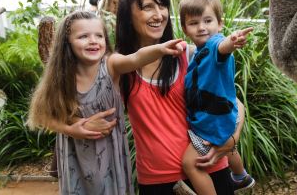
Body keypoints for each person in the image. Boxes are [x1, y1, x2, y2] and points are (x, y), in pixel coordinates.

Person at [27, 10, 184, 194]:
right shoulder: (61, 76)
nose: (93, 40)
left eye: (99, 36)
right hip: (75, 157)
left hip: (109, 156)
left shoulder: (110, 64)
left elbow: (135, 58)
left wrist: (160, 49)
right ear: (67, 41)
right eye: (83, 36)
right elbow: (42, 116)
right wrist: (71, 129)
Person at [115, 0, 244, 195]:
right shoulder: (120, 67)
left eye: (162, 5)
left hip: (208, 168)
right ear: (128, 14)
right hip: (158, 180)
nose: (159, 15)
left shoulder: (190, 54)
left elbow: (235, 103)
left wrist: (231, 140)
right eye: (148, 7)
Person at [179, 0, 255, 194]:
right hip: (223, 114)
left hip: (214, 122)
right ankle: (240, 177)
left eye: (208, 20)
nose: (202, 27)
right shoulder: (197, 53)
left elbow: (222, 48)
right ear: (185, 29)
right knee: (228, 149)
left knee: (191, 164)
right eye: (194, 23)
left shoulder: (214, 45)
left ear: (220, 24)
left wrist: (233, 41)